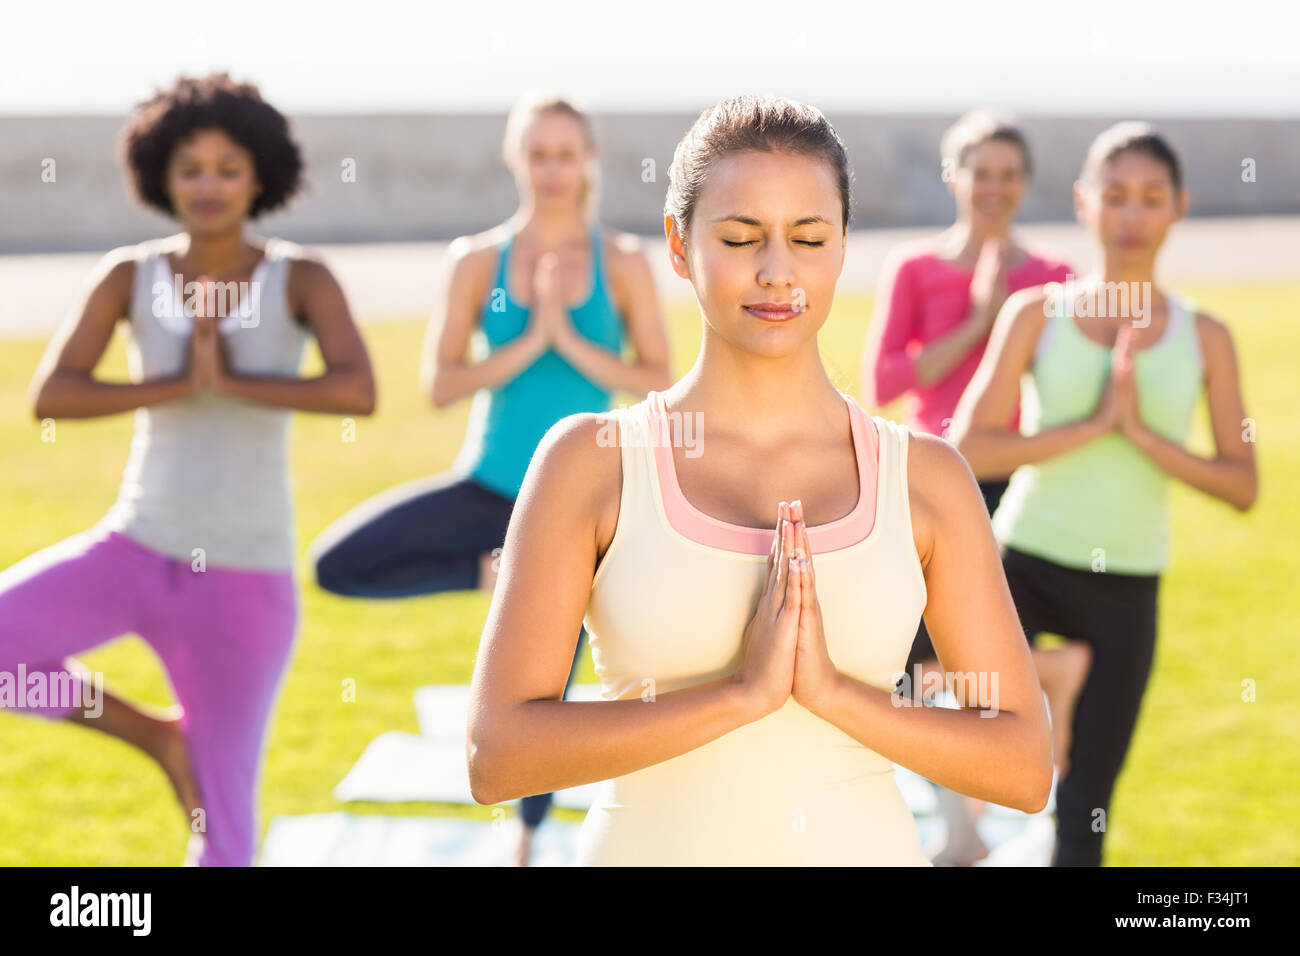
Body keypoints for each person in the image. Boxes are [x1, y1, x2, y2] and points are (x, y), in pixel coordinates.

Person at [466, 94, 1052, 866]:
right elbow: (498, 754)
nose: (777, 272)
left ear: (842, 245)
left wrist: (835, 695)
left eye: (809, 238)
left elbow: (1021, 765)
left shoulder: (927, 478)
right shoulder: (593, 460)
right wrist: (740, 695)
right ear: (679, 245)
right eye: (741, 237)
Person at [0, 73, 376, 866]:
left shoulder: (299, 277)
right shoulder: (129, 275)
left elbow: (358, 388)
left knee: (224, 836)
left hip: (244, 579)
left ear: (260, 176)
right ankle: (159, 741)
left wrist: (232, 379)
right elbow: (52, 396)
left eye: (228, 167)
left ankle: (192, 760)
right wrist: (181, 382)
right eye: (190, 168)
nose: (208, 186)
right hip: (134, 548)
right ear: (160, 176)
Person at [306, 93, 671, 865]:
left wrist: (564, 335)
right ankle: (485, 575)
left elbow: (658, 379)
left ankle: (528, 842)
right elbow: (441, 382)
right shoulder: (479, 261)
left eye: (566, 154)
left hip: (580, 509)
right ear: (516, 159)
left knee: (545, 698)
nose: (553, 170)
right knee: (338, 562)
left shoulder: (627, 261)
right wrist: (527, 338)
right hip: (487, 488)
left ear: (589, 162)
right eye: (538, 153)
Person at [950, 122, 1259, 866]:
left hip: (1126, 583)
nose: (1131, 215)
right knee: (928, 693)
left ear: (1177, 207)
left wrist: (1145, 437)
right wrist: (1089, 427)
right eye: (1115, 195)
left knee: (1085, 810)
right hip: (1022, 563)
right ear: (1085, 204)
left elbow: (1242, 484)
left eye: (1150, 198)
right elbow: (968, 446)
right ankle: (967, 831)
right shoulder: (1036, 315)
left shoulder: (1205, 335)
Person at [862, 110, 1080, 865]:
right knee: (909, 675)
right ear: (954, 177)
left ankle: (1007, 795)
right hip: (926, 485)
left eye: (1007, 174)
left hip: (1019, 488)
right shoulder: (915, 269)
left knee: (997, 666)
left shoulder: (1055, 280)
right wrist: (984, 317)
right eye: (978, 172)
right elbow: (885, 383)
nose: (993, 188)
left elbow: (1074, 388)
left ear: (1025, 183)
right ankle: (963, 824)